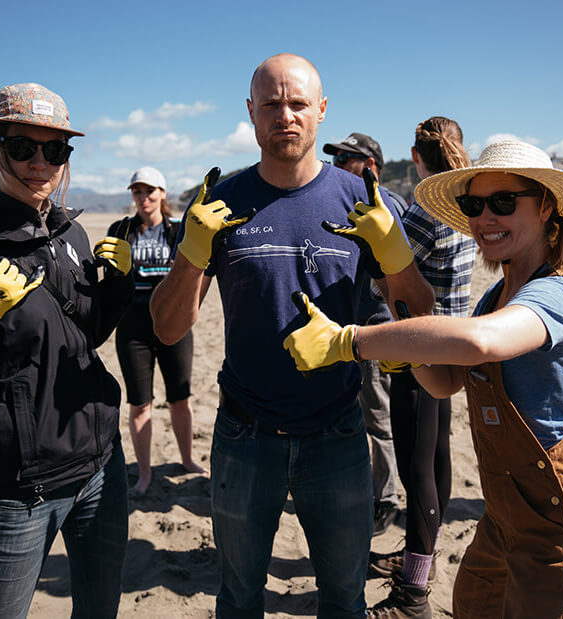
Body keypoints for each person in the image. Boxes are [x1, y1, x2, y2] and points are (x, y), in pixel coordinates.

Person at [151, 53, 434, 618]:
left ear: (321, 111)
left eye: (299, 103)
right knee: (237, 599)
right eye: (273, 104)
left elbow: (418, 315)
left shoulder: (362, 203)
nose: (286, 115)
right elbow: (168, 326)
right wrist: (191, 252)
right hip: (243, 435)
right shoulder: (216, 204)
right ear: (251, 113)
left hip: (338, 433)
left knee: (343, 600)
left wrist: (395, 253)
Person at [284, 140, 563, 618]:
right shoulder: (495, 296)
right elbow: (447, 382)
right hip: (502, 519)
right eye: (473, 205)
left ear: (545, 206)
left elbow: (482, 343)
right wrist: (408, 355)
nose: (485, 218)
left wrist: (352, 341)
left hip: (557, 527)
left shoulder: (559, 291)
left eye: (503, 202)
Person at [0, 82, 133, 618]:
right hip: (17, 490)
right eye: (22, 147)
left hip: (101, 467)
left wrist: (117, 287)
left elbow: (87, 334)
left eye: (55, 150)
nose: (40, 163)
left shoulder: (68, 232)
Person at [365, 117, 476, 617]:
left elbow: (388, 276)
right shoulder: (465, 207)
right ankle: (418, 555)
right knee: (437, 458)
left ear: (415, 156)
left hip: (418, 349)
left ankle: (414, 589)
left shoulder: (425, 213)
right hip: (453, 349)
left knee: (417, 465)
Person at [323, 132, 407, 536]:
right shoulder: (349, 200)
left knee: (376, 414)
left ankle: (385, 499)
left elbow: (397, 270)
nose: (338, 165)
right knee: (358, 411)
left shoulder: (381, 202)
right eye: (336, 158)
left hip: (375, 324)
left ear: (370, 165)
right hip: (350, 326)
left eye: (346, 159)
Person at [109, 166, 205, 494]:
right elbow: (112, 280)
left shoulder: (179, 231)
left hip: (174, 323)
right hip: (133, 327)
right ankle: (145, 473)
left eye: (150, 190)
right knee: (139, 403)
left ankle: (188, 460)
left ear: (162, 193)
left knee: (180, 399)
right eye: (137, 191)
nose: (143, 197)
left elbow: (194, 274)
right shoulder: (120, 229)